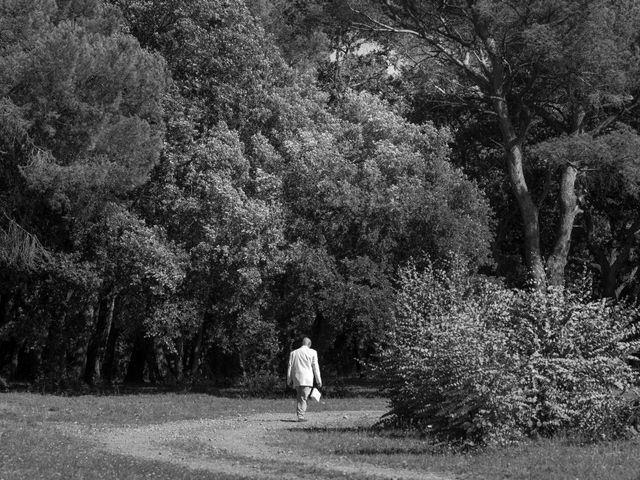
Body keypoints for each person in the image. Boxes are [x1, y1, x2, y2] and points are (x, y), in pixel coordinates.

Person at [286, 336, 322, 422]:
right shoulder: (313, 352)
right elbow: (315, 367)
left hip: (297, 378)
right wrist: (318, 380)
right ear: (309, 344)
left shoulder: (293, 353)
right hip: (307, 379)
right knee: (303, 397)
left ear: (302, 343)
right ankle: (301, 416)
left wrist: (289, 379)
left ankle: (300, 414)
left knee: (300, 396)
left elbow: (290, 367)